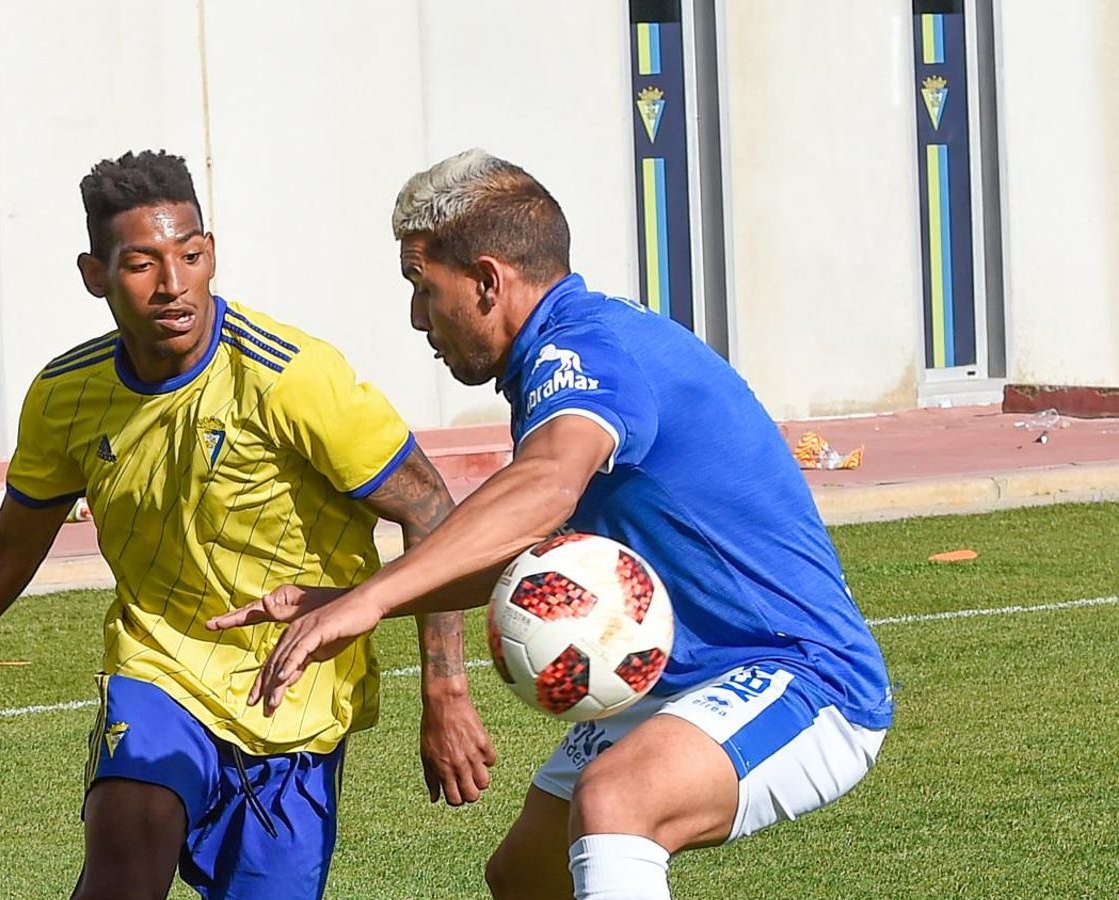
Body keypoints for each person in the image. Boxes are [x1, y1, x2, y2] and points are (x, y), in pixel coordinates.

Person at [209, 149, 893, 900]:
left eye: (422, 287)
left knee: (616, 801)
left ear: (488, 281)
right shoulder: (562, 352)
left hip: (800, 676)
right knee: (526, 878)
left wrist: (367, 602)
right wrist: (357, 598)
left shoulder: (586, 352)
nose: (414, 317)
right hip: (675, 683)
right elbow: (520, 545)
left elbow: (543, 485)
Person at [0, 150, 495, 900]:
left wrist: (445, 693)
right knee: (120, 872)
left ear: (210, 255)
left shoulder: (292, 376)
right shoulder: (65, 395)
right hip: (159, 671)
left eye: (191, 256)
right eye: (142, 264)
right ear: (95, 275)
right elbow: (11, 543)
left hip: (295, 695)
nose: (174, 285)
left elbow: (429, 508)